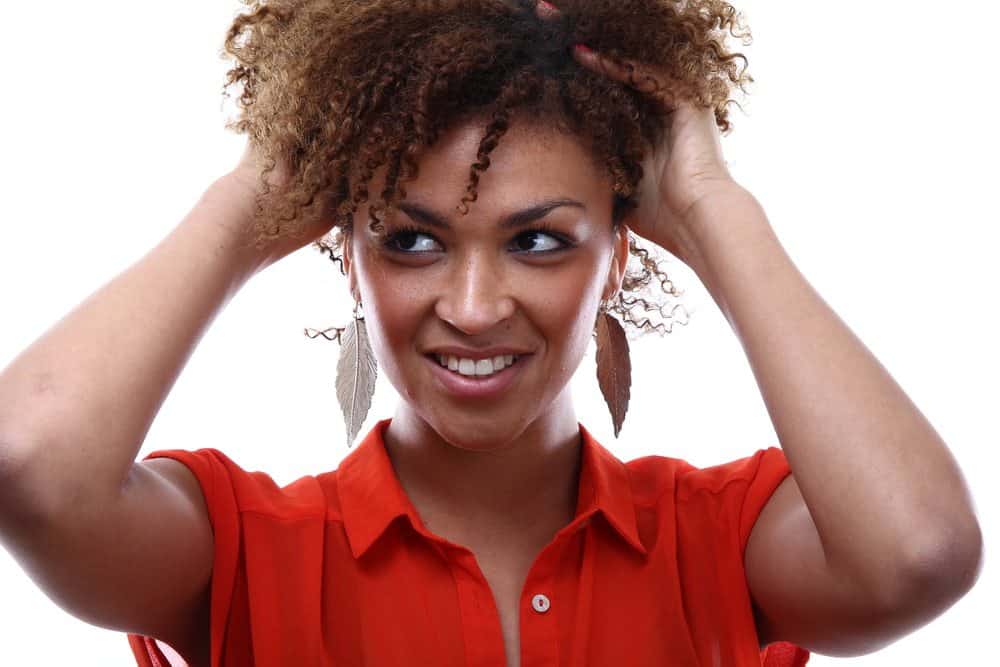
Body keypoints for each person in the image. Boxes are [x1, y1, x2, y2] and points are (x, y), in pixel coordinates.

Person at [0, 1, 982, 666]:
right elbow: (31, 462)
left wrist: (715, 208)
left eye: (541, 240)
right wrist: (248, 197)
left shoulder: (721, 537)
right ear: (345, 253)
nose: (472, 305)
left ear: (621, 254)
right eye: (412, 237)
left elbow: (920, 552)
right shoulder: (245, 547)